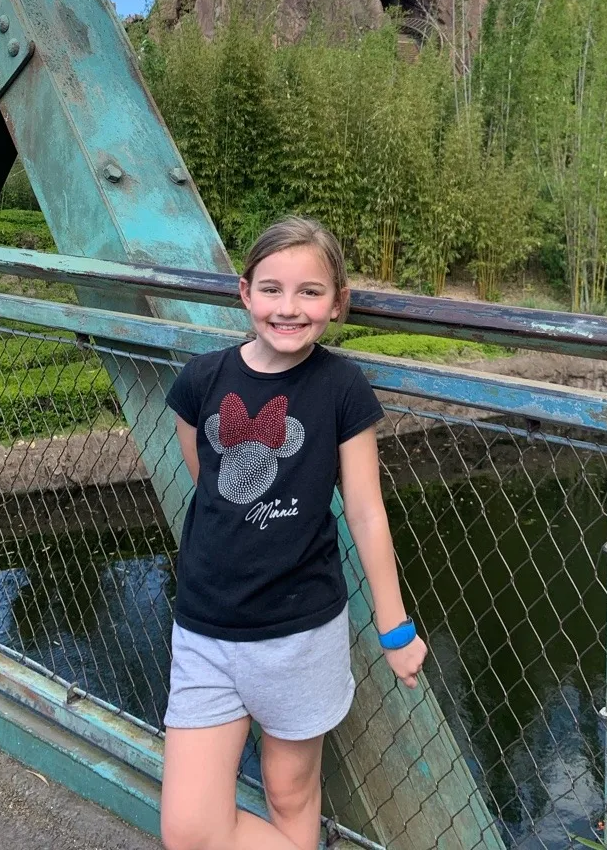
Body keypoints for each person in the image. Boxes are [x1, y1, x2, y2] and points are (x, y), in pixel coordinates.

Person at [159, 216, 427, 850]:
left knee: (290, 791)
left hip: (302, 632)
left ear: (337, 304)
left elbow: (365, 510)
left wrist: (395, 629)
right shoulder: (201, 381)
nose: (289, 307)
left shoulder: (342, 388)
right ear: (245, 292)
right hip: (206, 627)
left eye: (310, 291)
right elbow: (209, 478)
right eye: (272, 289)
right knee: (190, 828)